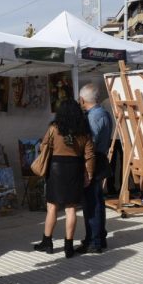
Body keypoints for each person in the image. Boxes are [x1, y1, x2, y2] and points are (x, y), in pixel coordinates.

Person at [33, 99, 95, 258]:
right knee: (71, 209)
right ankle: (69, 247)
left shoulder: (54, 128)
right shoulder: (84, 131)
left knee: (52, 207)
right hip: (75, 169)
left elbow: (43, 146)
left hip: (56, 169)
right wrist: (89, 174)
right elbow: (89, 155)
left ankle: (47, 242)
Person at [77, 83, 113, 254]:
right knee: (97, 201)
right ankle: (99, 237)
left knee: (92, 203)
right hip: (100, 158)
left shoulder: (94, 116)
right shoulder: (104, 113)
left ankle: (94, 240)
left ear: (82, 99)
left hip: (93, 160)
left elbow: (90, 143)